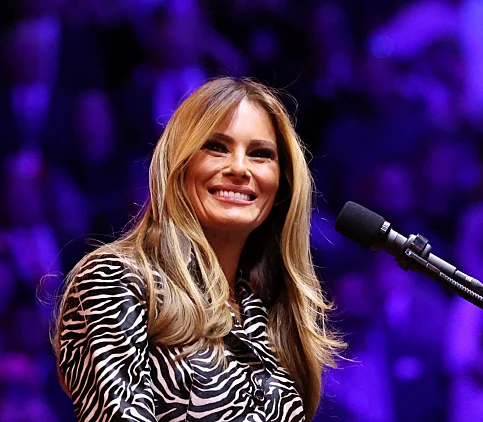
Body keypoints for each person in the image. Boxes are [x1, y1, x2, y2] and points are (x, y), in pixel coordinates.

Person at [52, 77, 344, 422]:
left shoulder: (267, 309)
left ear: (282, 184)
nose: (239, 168)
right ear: (179, 165)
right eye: (216, 147)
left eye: (260, 154)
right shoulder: (117, 280)